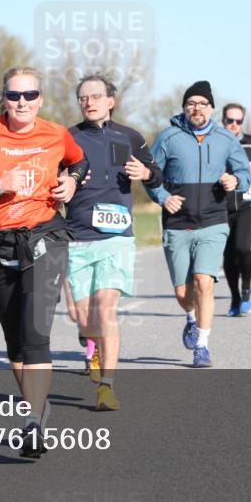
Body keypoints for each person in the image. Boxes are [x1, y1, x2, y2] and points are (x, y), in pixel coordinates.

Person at [0, 65, 89, 457]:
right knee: (14, 340)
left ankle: (31, 420)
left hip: (44, 237)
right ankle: (38, 409)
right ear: (4, 98)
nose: (22, 102)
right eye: (14, 96)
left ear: (40, 98)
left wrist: (73, 181)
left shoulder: (56, 133)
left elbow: (79, 162)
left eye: (30, 95)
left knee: (35, 334)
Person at [63, 73, 162, 411]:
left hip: (117, 235)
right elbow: (49, 178)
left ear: (110, 100)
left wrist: (146, 175)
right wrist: (62, 179)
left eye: (94, 96)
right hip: (76, 236)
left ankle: (107, 386)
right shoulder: (67, 138)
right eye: (82, 98)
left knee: (107, 309)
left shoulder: (131, 137)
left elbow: (157, 173)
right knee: (80, 315)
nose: (88, 102)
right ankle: (89, 341)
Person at [147, 81, 250, 367]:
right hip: (177, 223)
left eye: (203, 103)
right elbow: (150, 175)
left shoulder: (225, 138)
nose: (197, 108)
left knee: (204, 282)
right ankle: (190, 317)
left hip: (213, 221)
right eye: (191, 103)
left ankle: (202, 346)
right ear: (184, 108)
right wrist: (163, 197)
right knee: (184, 293)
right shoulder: (168, 137)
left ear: (212, 108)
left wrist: (236, 180)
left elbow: (244, 172)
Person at [221, 103, 251, 316]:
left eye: (238, 121)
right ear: (223, 121)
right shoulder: (214, 142)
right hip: (221, 205)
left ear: (243, 122)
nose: (234, 124)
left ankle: (247, 289)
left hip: (248, 204)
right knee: (228, 255)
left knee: (242, 247)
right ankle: (234, 298)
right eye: (230, 120)